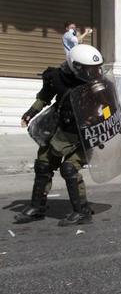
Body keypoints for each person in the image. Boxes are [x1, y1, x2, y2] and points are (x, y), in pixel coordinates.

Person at [14, 44, 105, 226]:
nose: (91, 72)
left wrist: (99, 121)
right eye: (87, 68)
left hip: (83, 136)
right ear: (74, 65)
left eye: (95, 68)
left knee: (69, 169)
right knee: (43, 165)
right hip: (61, 131)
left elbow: (109, 109)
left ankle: (81, 211)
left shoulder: (100, 85)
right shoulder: (58, 77)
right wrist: (30, 113)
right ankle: (37, 207)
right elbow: (44, 97)